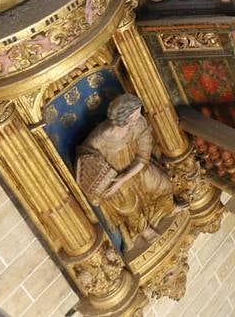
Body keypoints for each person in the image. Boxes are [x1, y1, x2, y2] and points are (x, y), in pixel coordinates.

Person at [76, 94, 178, 251]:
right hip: (113, 180)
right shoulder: (99, 139)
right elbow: (86, 162)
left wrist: (125, 178)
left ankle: (166, 210)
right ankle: (144, 229)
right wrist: (111, 181)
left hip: (136, 168)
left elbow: (143, 156)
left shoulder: (138, 125)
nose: (139, 116)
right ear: (126, 117)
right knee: (128, 206)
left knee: (163, 184)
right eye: (136, 114)